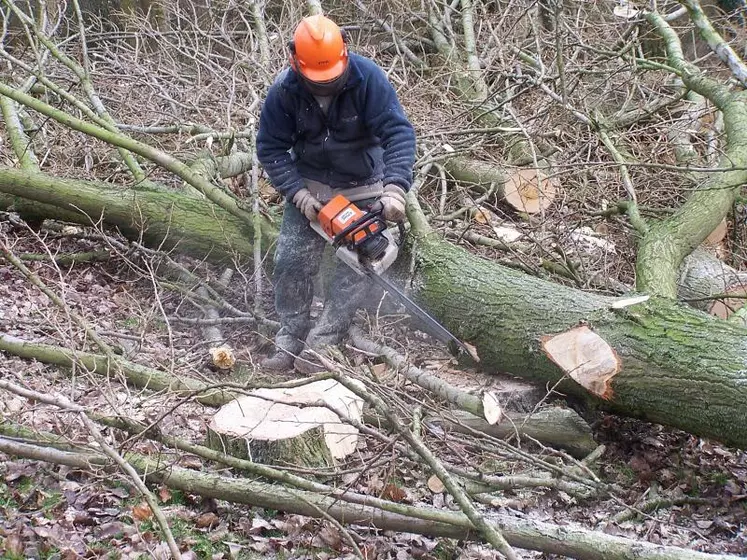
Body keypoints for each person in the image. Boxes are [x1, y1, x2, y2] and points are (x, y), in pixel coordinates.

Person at [256, 13, 416, 374]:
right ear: (295, 61)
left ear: (345, 52)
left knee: (360, 267)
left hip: (365, 185)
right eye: (316, 79)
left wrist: (394, 190)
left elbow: (399, 135)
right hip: (311, 188)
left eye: (330, 78)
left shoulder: (367, 79)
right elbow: (270, 148)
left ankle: (324, 342)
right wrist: (297, 194)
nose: (324, 85)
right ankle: (290, 337)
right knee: (290, 262)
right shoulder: (285, 90)